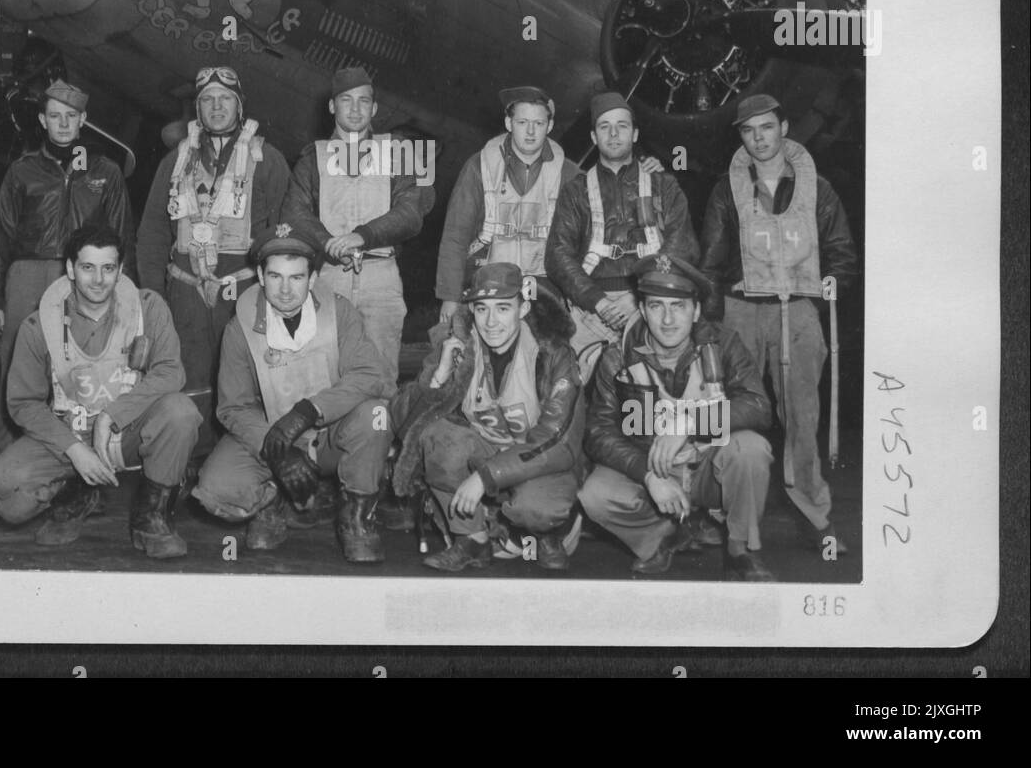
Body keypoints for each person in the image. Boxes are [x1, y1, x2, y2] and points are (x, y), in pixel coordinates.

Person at [0, 225, 200, 559]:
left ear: (120, 269)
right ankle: (75, 491)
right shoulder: (39, 325)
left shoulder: (149, 309)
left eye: (108, 268)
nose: (98, 280)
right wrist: (73, 449)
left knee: (180, 413)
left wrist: (112, 415)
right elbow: (23, 404)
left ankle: (151, 514)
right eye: (87, 267)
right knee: (3, 488)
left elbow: (171, 371)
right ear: (70, 268)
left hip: (129, 431)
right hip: (70, 434)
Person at [700, 93, 858, 554]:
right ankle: (724, 513)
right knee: (728, 410)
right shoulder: (725, 189)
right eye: (748, 131)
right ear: (741, 137)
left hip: (797, 310)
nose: (759, 138)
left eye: (766, 127)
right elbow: (711, 261)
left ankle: (814, 514)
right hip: (740, 308)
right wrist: (710, 324)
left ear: (784, 128)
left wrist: (827, 287)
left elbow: (842, 252)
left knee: (802, 417)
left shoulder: (816, 187)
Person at [192, 223, 392, 563]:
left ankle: (357, 515)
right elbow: (233, 408)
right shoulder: (239, 326)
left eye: (297, 277)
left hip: (330, 434)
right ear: (260, 275)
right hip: (272, 432)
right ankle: (274, 499)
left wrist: (308, 411)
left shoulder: (340, 312)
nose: (285, 290)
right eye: (275, 276)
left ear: (312, 279)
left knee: (376, 416)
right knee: (215, 490)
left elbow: (369, 375)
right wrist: (277, 452)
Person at [578, 253, 776, 580]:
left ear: (695, 311)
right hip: (654, 466)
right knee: (595, 495)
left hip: (707, 467)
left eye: (679, 306)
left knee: (751, 450)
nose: (668, 320)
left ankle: (740, 550)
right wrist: (647, 475)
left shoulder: (723, 344)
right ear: (643, 310)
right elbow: (598, 432)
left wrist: (691, 423)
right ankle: (663, 537)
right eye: (657, 306)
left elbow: (758, 406)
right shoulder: (618, 357)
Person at [391, 263, 585, 573]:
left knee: (536, 509)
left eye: (503, 308)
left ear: (523, 309)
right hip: (487, 451)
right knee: (438, 437)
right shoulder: (459, 345)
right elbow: (405, 425)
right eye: (482, 309)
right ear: (472, 310)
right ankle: (473, 540)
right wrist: (439, 377)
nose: (491, 322)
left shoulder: (553, 353)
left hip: (540, 462)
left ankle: (549, 532)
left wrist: (485, 477)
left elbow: (557, 441)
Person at [0, 81, 137, 454]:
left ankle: (78, 446)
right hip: (28, 274)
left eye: (71, 116)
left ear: (83, 119)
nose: (63, 124)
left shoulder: (106, 172)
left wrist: (129, 297)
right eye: (54, 116)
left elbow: (122, 237)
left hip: (84, 276)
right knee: (18, 361)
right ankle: (10, 448)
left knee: (80, 363)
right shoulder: (22, 172)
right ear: (42, 120)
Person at [136, 65, 290, 399]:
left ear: (239, 105)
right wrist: (153, 298)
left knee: (245, 387)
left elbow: (284, 234)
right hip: (184, 295)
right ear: (197, 107)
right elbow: (152, 234)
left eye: (225, 98)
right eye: (207, 99)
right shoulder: (174, 162)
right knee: (188, 387)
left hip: (244, 293)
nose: (217, 106)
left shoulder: (267, 160)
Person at [283, 66, 434, 394]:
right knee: (326, 377)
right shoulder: (312, 158)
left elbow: (411, 212)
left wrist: (363, 236)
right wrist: (327, 242)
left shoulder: (396, 152)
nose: (354, 109)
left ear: (374, 108)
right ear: (332, 106)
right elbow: (294, 213)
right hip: (330, 276)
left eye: (363, 101)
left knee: (381, 378)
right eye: (346, 100)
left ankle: (380, 426)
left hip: (381, 277)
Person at [545, 91, 698, 385]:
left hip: (652, 302)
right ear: (594, 136)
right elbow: (557, 254)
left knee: (661, 392)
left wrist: (642, 297)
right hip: (590, 309)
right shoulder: (575, 191)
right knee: (572, 389)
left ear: (635, 133)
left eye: (622, 126)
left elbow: (682, 245)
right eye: (605, 127)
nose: (613, 134)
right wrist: (598, 302)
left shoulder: (664, 185)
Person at [434, 86, 580, 325]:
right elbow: (455, 235)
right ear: (508, 123)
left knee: (545, 343)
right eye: (522, 122)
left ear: (550, 126)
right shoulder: (479, 166)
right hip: (486, 281)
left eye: (539, 123)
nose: (530, 131)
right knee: (476, 344)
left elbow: (587, 233)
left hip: (542, 284)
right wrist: (450, 297)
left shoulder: (569, 173)